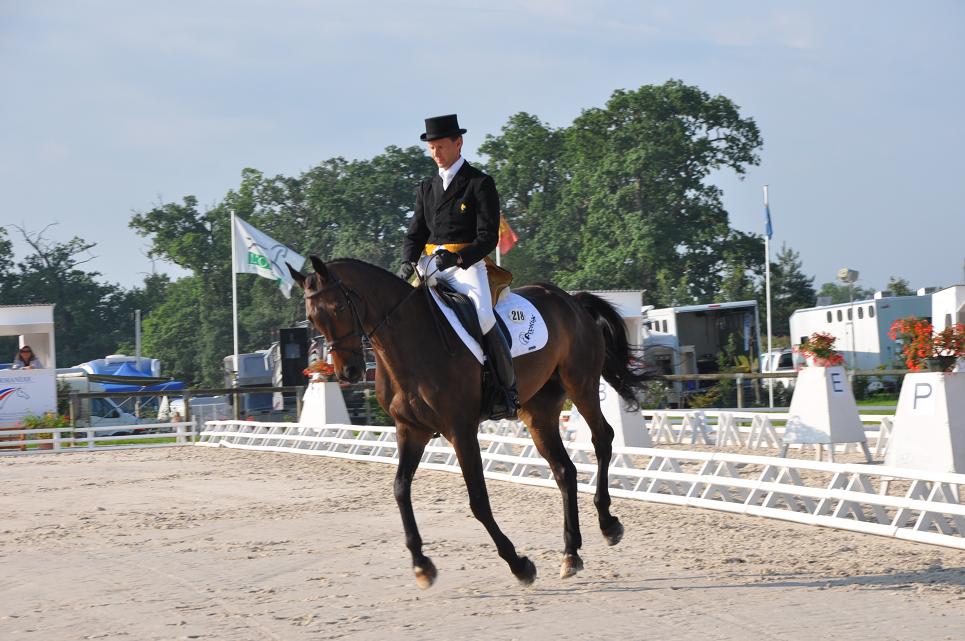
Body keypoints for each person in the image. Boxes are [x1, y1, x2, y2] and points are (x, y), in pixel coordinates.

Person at [398, 113, 519, 420]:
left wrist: (459, 258)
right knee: (402, 317)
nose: (435, 153)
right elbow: (415, 232)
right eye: (431, 148)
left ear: (458, 143)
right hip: (430, 266)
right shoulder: (426, 187)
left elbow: (487, 237)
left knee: (482, 316)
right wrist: (407, 260)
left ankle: (503, 390)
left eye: (440, 146)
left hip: (466, 266)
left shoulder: (479, 183)